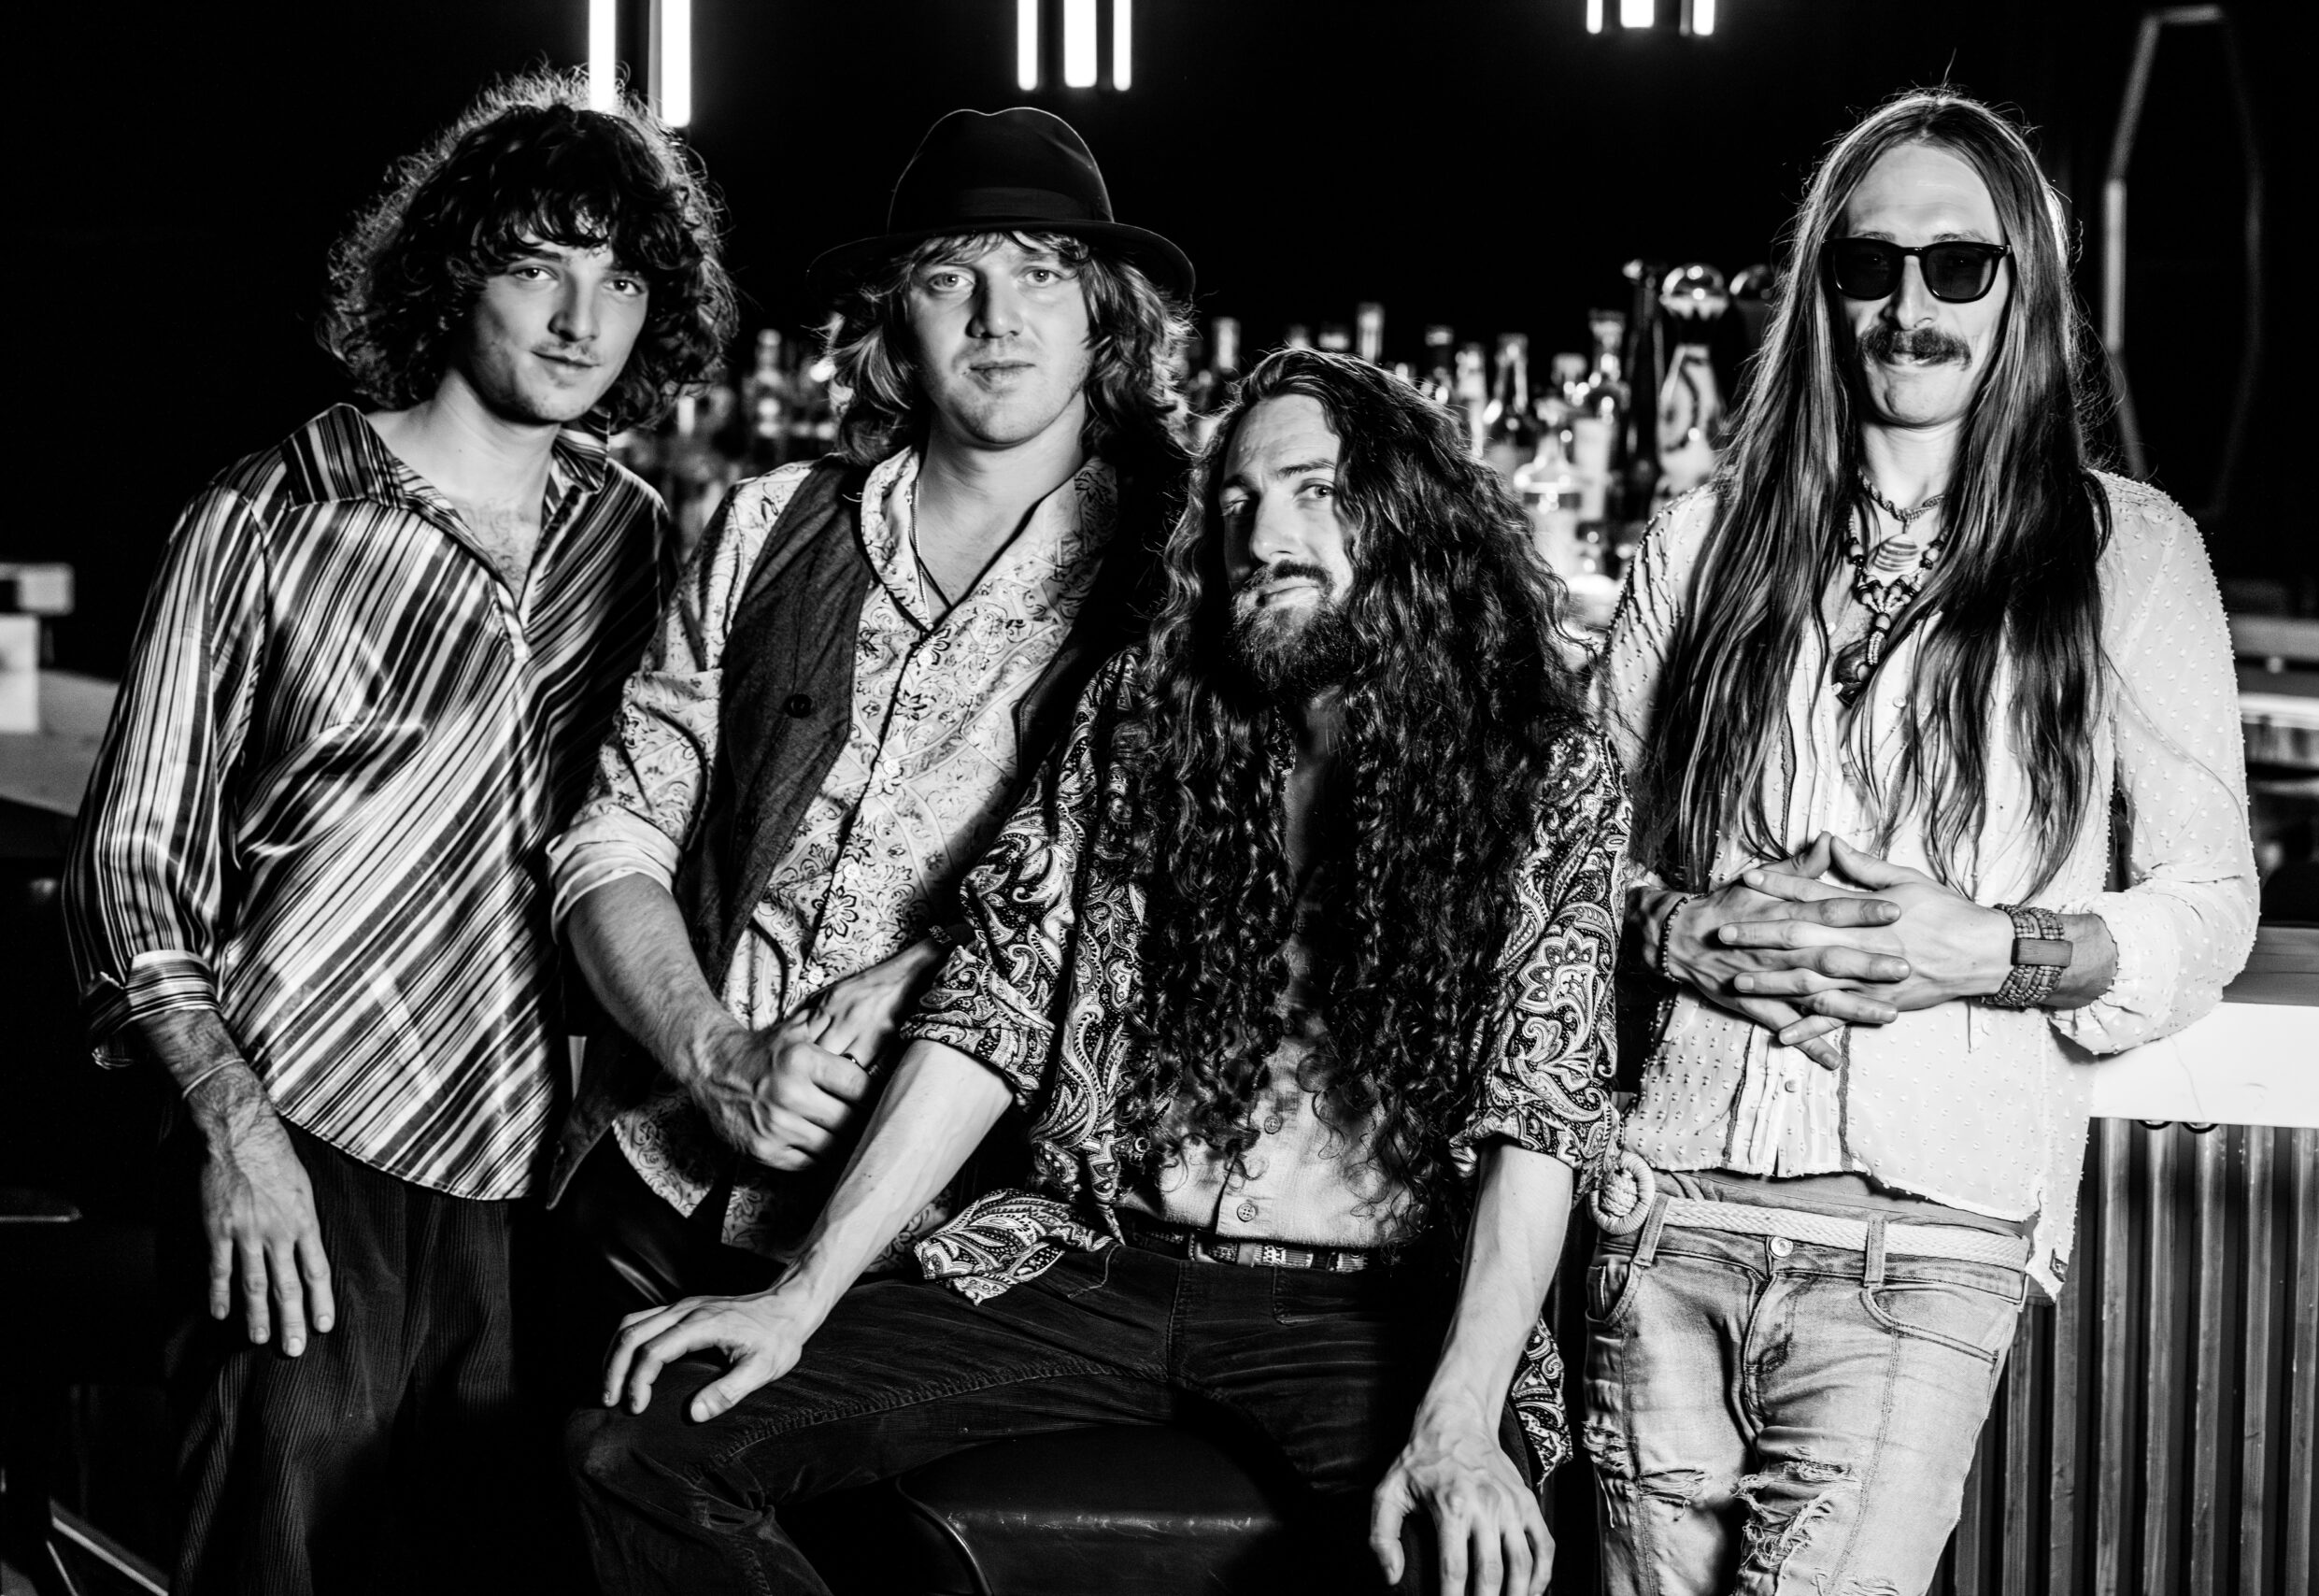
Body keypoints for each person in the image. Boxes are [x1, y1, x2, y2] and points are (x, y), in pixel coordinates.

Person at [563, 349, 1629, 1596]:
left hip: (1367, 1310)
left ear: (1411, 519)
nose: (1262, 537)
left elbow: (1537, 1111)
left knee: (1460, 1558)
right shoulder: (1147, 718)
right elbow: (990, 1005)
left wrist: (1461, 1418)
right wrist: (801, 1293)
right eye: (1235, 503)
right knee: (639, 1450)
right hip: (1096, 1263)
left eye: (1315, 491)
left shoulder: (1542, 769)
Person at [63, 73, 733, 1594]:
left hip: (535, 1158)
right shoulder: (266, 515)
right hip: (306, 1132)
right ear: (450, 277)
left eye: (623, 281)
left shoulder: (632, 540)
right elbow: (129, 865)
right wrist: (232, 1134)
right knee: (279, 1563)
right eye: (537, 267)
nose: (582, 319)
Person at [1593, 89, 2257, 1593]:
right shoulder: (1699, 542)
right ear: (1821, 288)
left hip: (1924, 1251)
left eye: (1959, 267)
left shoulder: (2128, 552)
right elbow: (1568, 862)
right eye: (1870, 265)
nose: (1911, 308)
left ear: (2025, 290)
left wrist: (1992, 949)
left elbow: (2211, 904)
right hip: (1662, 1218)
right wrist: (1675, 926)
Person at [543, 106, 1193, 1329]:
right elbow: (612, 839)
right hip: (655, 1181)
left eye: (1042, 275)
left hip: (957, 1251)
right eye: (952, 278)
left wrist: (939, 966)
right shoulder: (769, 526)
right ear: (896, 319)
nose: (997, 318)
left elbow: (1197, 899)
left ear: (1103, 314)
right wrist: (716, 1057)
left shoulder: (1180, 579)